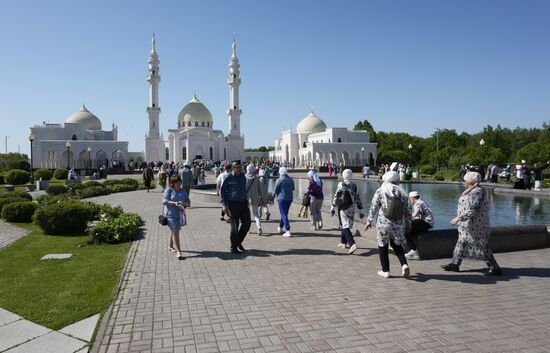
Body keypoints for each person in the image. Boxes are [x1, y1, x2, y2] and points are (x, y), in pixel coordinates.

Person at [442, 172, 502, 275]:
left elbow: (474, 209)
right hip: (467, 225)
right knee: (461, 242)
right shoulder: (471, 190)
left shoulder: (477, 192)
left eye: (465, 180)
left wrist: (459, 218)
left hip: (475, 224)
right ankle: (454, 264)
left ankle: (495, 267)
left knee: (482, 244)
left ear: (470, 181)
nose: (464, 182)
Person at [365, 171, 411, 278]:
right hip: (398, 223)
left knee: (383, 245)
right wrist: (408, 223)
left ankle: (385, 271)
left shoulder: (381, 190)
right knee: (396, 244)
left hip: (383, 223)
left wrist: (369, 221)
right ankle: (404, 264)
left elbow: (373, 207)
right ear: (395, 180)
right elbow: (408, 210)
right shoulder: (402, 192)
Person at [220, 160, 251, 254]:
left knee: (247, 223)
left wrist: (247, 201)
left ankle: (237, 242)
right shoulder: (228, 177)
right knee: (234, 226)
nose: (239, 169)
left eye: (240, 167)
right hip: (232, 204)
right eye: (237, 168)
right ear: (233, 168)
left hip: (243, 203)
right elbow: (222, 192)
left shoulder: (242, 176)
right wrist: (224, 205)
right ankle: (233, 247)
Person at [331, 169, 364, 254]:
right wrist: (361, 210)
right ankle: (343, 242)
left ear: (343, 175)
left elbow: (336, 196)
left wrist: (332, 207)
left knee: (345, 226)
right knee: (345, 224)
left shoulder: (341, 184)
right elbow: (357, 198)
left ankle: (352, 244)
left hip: (343, 207)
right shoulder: (354, 185)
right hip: (352, 208)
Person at [162, 176, 190, 260]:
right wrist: (174, 203)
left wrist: (184, 202)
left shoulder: (183, 191)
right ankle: (179, 251)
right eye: (177, 182)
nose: (179, 183)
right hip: (170, 215)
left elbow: (189, 203)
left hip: (180, 215)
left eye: (180, 182)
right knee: (175, 231)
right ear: (173, 183)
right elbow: (164, 201)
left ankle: (170, 246)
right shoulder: (169, 190)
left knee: (174, 231)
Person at [404, 191, 434, 260]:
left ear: (412, 198)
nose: (409, 200)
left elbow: (415, 215)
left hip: (426, 223)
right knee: (411, 231)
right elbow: (416, 218)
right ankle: (415, 252)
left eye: (409, 199)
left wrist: (406, 218)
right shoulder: (421, 201)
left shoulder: (418, 203)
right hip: (427, 223)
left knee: (406, 227)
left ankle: (413, 250)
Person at [272, 167, 295, 237]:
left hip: (281, 198)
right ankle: (280, 227)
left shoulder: (279, 180)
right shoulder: (291, 179)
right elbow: (293, 188)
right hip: (290, 198)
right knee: (285, 213)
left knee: (283, 213)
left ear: (280, 173)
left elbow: (275, 190)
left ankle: (287, 230)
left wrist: (271, 198)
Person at [245, 164, 266, 235]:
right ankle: (259, 226)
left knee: (247, 215)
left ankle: (248, 229)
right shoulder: (256, 178)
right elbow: (260, 190)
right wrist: (262, 198)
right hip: (255, 198)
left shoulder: (245, 177)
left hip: (247, 199)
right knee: (256, 214)